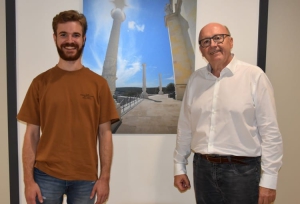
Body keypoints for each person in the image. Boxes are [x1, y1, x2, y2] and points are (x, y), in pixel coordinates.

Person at [173, 22, 283, 204]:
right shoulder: (195, 80)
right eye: (206, 41)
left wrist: (269, 180)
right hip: (203, 170)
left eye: (218, 38)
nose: (213, 45)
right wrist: (179, 166)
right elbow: (185, 126)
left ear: (230, 41)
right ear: (201, 50)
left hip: (243, 173)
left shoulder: (254, 76)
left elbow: (270, 132)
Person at [17, 10, 119, 204]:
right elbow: (31, 134)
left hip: (86, 178)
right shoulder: (40, 83)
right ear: (55, 38)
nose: (69, 40)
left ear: (84, 39)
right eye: (63, 34)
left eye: (75, 35)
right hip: (45, 175)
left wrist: (104, 178)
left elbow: (105, 133)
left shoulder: (98, 84)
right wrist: (28, 181)